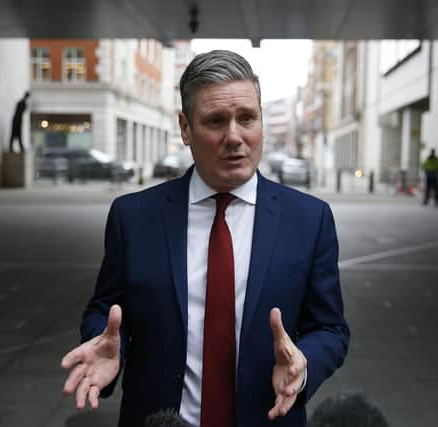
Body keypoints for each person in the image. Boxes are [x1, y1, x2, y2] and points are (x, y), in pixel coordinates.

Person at [60, 50, 349, 427]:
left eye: (247, 118)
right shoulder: (133, 218)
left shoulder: (309, 219)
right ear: (185, 128)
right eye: (216, 121)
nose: (234, 137)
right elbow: (107, 310)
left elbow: (330, 328)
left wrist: (304, 363)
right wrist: (106, 343)